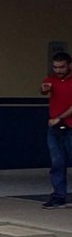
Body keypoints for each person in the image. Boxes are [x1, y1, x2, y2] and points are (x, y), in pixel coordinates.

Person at [41, 50, 72, 209]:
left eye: (62, 67)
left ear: (69, 65)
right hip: (54, 128)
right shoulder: (50, 80)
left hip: (69, 125)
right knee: (57, 162)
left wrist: (59, 118)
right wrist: (45, 88)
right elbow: (43, 90)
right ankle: (59, 195)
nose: (58, 70)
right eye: (55, 67)